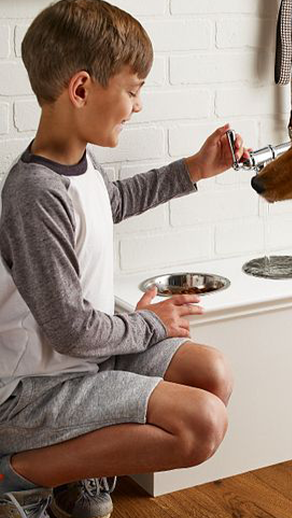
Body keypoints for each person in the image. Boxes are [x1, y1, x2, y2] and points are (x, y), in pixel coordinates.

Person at [0, 1, 249, 517]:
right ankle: (19, 475)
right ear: (83, 89)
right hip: (30, 391)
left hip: (83, 361)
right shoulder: (33, 193)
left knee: (213, 372)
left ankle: (75, 472)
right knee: (202, 423)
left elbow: (114, 201)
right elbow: (72, 330)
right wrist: (147, 325)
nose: (138, 105)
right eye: (133, 89)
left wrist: (197, 168)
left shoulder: (78, 168)